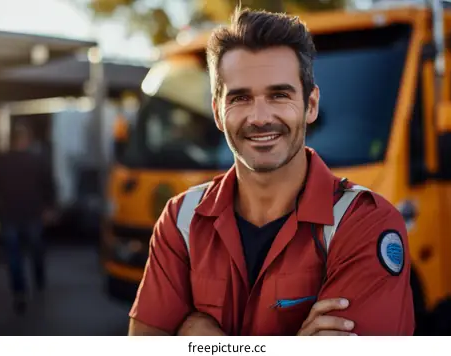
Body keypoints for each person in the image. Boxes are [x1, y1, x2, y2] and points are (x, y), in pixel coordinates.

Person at [128, 8, 414, 336]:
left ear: (311, 105)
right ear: (218, 113)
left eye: (279, 95)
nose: (260, 117)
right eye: (240, 98)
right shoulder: (180, 219)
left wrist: (198, 335)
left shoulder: (366, 224)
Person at [0, 124, 56, 314]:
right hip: (32, 213)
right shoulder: (37, 161)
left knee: (13, 256)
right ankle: (39, 280)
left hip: (8, 214)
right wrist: (49, 208)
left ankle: (19, 293)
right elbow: (49, 185)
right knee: (36, 249)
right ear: (26, 140)